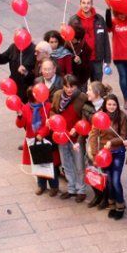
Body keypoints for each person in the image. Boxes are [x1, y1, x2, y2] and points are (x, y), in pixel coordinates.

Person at [87, 94, 127, 218]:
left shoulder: (122, 116)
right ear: (105, 104)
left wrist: (112, 142)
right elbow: (94, 137)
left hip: (118, 152)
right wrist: (95, 156)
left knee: (115, 180)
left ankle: (120, 206)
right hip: (104, 155)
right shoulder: (99, 117)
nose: (112, 107)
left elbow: (123, 136)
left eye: (114, 104)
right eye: (109, 104)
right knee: (109, 180)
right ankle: (112, 204)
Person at [50, 74, 88, 202]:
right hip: (61, 135)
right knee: (66, 163)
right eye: (66, 86)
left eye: (72, 87)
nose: (69, 89)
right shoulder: (57, 95)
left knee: (79, 164)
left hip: (76, 137)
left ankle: (81, 189)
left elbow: (85, 116)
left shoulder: (82, 97)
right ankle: (71, 188)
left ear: (76, 86)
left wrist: (77, 128)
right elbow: (53, 110)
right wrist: (53, 120)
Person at [16, 87, 59, 195]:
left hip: (46, 139)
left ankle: (54, 186)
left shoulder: (48, 106)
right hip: (32, 140)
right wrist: (20, 116)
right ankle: (41, 185)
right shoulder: (25, 108)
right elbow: (20, 125)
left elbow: (49, 124)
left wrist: (41, 134)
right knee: (37, 163)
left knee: (50, 164)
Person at [69, 0, 111, 81]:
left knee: (97, 87)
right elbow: (69, 41)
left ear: (92, 4)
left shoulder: (99, 19)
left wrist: (107, 59)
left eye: (88, 3)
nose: (86, 5)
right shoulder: (73, 20)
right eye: (83, 3)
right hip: (81, 60)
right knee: (82, 88)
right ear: (80, 4)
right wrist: (73, 56)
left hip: (97, 59)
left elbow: (105, 40)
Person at [83, 81, 111, 208]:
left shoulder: (107, 107)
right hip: (91, 143)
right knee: (92, 171)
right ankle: (97, 195)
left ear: (97, 93)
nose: (87, 92)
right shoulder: (87, 106)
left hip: (103, 145)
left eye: (90, 90)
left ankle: (105, 197)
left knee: (102, 172)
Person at [0, 38, 36, 103]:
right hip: (15, 83)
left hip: (27, 84)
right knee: (18, 104)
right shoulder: (13, 47)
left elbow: (36, 71)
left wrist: (26, 72)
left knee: (26, 106)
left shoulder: (34, 50)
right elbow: (3, 59)